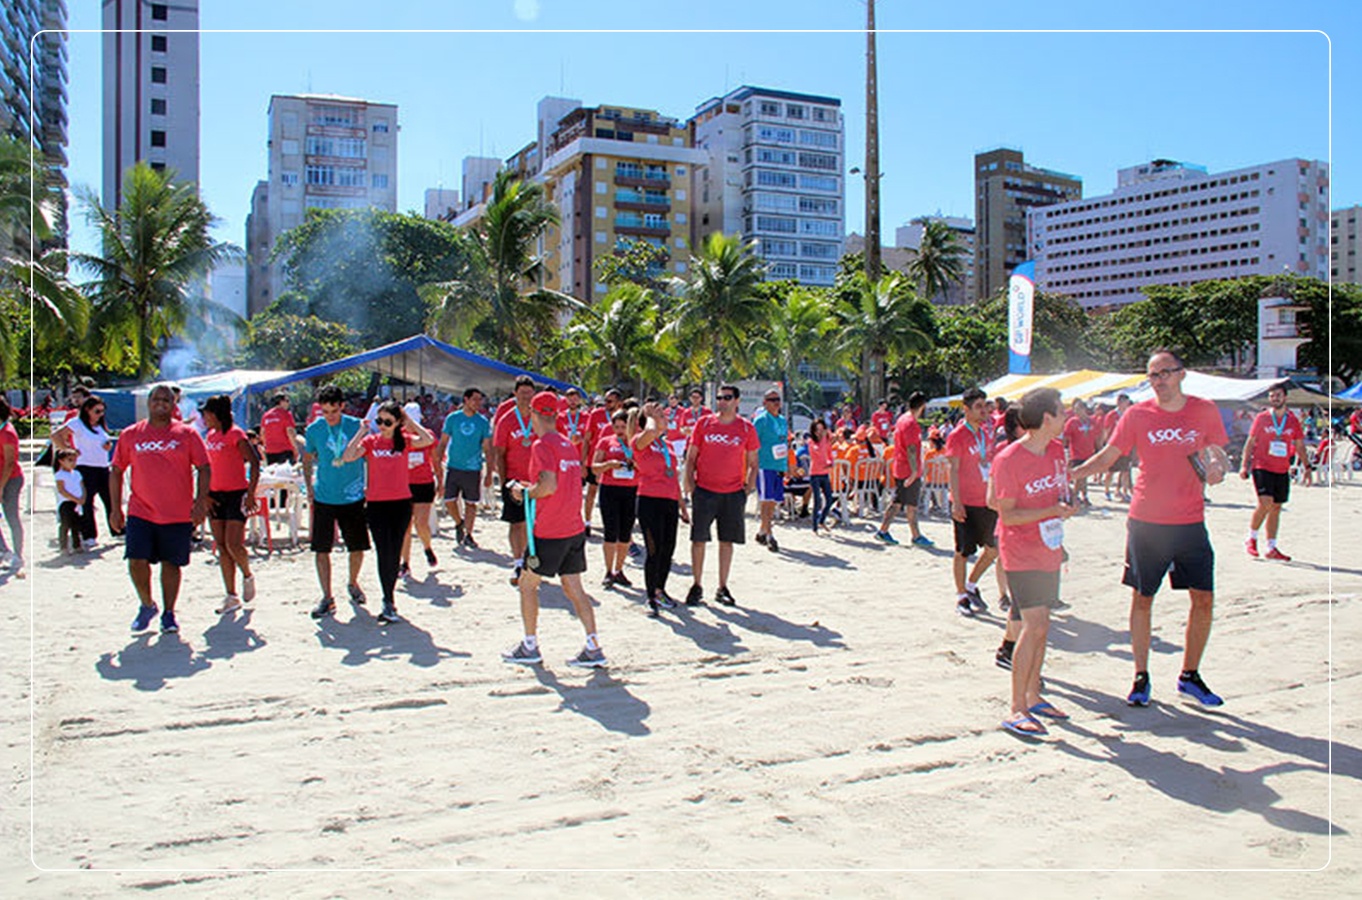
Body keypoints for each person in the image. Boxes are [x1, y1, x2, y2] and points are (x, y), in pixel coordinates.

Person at [1072, 350, 1231, 708]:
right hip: (1147, 521)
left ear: (1182, 373)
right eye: (1153, 375)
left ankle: (1190, 676)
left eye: (1165, 373)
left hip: (1190, 520)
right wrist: (1072, 474)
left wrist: (1218, 467)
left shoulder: (1204, 409)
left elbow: (1216, 452)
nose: (1159, 380)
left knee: (1203, 598)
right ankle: (1140, 676)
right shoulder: (1137, 414)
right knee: (1143, 598)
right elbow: (1110, 455)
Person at [989, 387, 1078, 737]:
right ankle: (1016, 707)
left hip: (1049, 549)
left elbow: (1059, 492)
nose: (1066, 415)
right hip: (1020, 552)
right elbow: (1007, 516)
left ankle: (1034, 695)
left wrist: (1064, 507)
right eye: (1061, 410)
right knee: (1034, 624)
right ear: (1046, 418)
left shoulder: (1056, 450)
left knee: (1044, 626)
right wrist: (1051, 511)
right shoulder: (1009, 459)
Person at [502, 391, 607, 668]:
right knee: (574, 588)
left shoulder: (542, 445)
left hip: (550, 530)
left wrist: (524, 493)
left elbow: (548, 486)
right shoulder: (566, 444)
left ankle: (530, 646)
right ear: (557, 414)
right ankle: (593, 645)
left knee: (527, 585)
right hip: (572, 528)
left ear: (533, 414)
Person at [109, 384, 211, 633]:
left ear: (173, 404)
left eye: (166, 400)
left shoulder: (186, 434)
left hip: (177, 512)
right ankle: (146, 605)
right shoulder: (131, 434)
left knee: (171, 564)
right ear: (149, 402)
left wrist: (200, 502)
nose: (161, 403)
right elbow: (117, 469)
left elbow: (204, 467)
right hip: (140, 510)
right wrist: (114, 508)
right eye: (156, 399)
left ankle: (168, 612)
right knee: (135, 560)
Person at [341, 400, 435, 624]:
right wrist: (362, 431)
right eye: (379, 421)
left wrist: (409, 421)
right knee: (384, 551)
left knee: (394, 552)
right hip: (376, 504)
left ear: (397, 423)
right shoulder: (372, 442)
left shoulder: (404, 441)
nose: (382, 425)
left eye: (387, 421)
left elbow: (428, 440)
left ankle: (389, 598)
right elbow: (348, 456)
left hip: (401, 503)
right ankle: (388, 599)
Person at [683, 384, 759, 607]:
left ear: (737, 401)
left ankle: (722, 587)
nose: (722, 401)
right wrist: (690, 484)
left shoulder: (746, 428)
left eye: (727, 397)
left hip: (733, 493)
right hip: (704, 491)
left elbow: (754, 463)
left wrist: (747, 490)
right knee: (699, 540)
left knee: (726, 541)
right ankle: (697, 585)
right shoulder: (704, 423)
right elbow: (691, 457)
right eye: (719, 397)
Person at [303, 384, 370, 619]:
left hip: (352, 495)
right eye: (325, 412)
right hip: (324, 495)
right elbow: (307, 457)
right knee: (321, 549)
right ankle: (327, 597)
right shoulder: (314, 429)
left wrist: (370, 484)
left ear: (342, 406)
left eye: (334, 411)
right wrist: (309, 486)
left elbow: (368, 456)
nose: (330, 417)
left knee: (358, 546)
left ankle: (353, 582)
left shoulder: (356, 426)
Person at [200, 394, 260, 615]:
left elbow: (254, 462)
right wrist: (204, 494)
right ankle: (231, 595)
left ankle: (247, 574)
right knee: (222, 547)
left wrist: (251, 492)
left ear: (216, 414)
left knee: (234, 543)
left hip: (236, 494)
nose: (204, 417)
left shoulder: (236, 434)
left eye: (206, 413)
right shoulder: (210, 435)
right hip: (215, 494)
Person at [1239, 383, 1309, 561]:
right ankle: (1251, 538)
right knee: (1265, 503)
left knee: (1276, 507)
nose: (1274, 398)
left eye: (1277, 395)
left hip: (1282, 468)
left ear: (1285, 397)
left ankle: (1271, 547)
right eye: (1271, 396)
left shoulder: (1292, 421)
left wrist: (1307, 467)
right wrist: (1244, 465)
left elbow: (1299, 444)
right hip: (1262, 465)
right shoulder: (1262, 418)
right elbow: (1250, 441)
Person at [945, 387, 998, 617]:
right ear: (965, 410)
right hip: (965, 501)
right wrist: (956, 502)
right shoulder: (957, 435)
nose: (983, 411)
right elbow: (953, 470)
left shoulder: (986, 432)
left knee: (993, 549)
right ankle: (961, 596)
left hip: (986, 500)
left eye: (985, 406)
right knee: (962, 551)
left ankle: (971, 584)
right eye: (978, 407)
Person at [632, 400, 688, 614]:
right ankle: (649, 597)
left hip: (669, 501)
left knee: (668, 549)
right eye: (661, 417)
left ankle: (660, 590)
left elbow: (674, 478)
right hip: (649, 500)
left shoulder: (668, 445)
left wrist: (682, 506)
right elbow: (649, 432)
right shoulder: (640, 440)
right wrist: (650, 417)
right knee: (653, 550)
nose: (665, 419)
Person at [52, 395, 118, 547]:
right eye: (97, 411)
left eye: (102, 411)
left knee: (110, 499)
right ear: (87, 410)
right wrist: (69, 450)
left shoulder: (100, 426)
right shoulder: (77, 423)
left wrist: (107, 445)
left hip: (102, 466)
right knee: (87, 502)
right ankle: (89, 535)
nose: (100, 414)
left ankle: (117, 530)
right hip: (85, 467)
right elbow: (56, 435)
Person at [492, 375, 538, 584]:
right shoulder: (507, 420)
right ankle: (517, 562)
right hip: (515, 481)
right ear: (515, 394)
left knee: (536, 524)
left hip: (539, 480)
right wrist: (504, 482)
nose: (526, 397)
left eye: (529, 393)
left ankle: (533, 561)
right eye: (522, 393)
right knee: (516, 523)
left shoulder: (540, 418)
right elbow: (499, 453)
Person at [438, 387, 493, 549]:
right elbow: (443, 442)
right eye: (475, 399)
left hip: (473, 468)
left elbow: (488, 448)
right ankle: (458, 522)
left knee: (471, 503)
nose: (478, 403)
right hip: (454, 466)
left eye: (480, 399)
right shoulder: (453, 418)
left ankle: (468, 534)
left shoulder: (482, 421)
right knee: (449, 500)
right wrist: (438, 460)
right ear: (466, 400)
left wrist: (489, 472)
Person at [876, 391, 933, 546]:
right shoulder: (911, 424)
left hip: (901, 466)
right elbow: (911, 449)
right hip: (908, 469)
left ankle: (886, 531)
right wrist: (915, 471)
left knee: (900, 501)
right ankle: (914, 536)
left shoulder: (902, 419)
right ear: (922, 406)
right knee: (909, 504)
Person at [591, 407, 640, 587]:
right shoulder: (605, 442)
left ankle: (620, 570)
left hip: (630, 489)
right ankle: (608, 570)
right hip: (610, 489)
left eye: (623, 426)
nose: (620, 430)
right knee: (610, 532)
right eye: (617, 426)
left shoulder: (636, 443)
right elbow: (594, 467)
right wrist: (609, 464)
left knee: (626, 533)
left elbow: (646, 467)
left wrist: (634, 464)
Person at [752, 389, 790, 553]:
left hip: (778, 465)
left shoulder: (782, 420)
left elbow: (784, 443)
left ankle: (762, 530)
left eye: (778, 399)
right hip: (765, 465)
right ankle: (770, 535)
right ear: (765, 402)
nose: (776, 402)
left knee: (774, 501)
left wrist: (787, 465)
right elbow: (752, 445)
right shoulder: (760, 421)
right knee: (766, 501)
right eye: (772, 399)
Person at [581, 388, 623, 533]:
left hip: (617, 461)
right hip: (596, 460)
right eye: (605, 400)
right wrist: (583, 462)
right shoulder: (596, 414)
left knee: (614, 494)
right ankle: (587, 522)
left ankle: (614, 523)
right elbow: (586, 439)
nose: (606, 403)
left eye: (610, 401)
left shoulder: (624, 416)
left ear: (619, 403)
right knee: (591, 491)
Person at [399, 428, 439, 578]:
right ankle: (405, 563)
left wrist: (440, 481)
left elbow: (435, 459)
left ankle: (427, 547)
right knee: (405, 527)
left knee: (421, 523)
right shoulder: (398, 435)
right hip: (403, 484)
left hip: (423, 483)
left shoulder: (427, 434)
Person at [0, 396, 27, 577]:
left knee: (12, 517)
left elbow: (10, 463)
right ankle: (4, 550)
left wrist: (1, 487)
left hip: (10, 479)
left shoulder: (7, 432)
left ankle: (18, 555)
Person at [1062, 399, 1099, 506]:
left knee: (1085, 476)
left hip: (1088, 453)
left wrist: (1097, 449)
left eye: (1078, 409)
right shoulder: (1072, 422)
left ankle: (1082, 495)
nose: (1076, 411)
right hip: (1076, 454)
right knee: (1079, 476)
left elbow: (1097, 437)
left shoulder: (1092, 421)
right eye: (1075, 409)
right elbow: (1066, 438)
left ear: (1084, 409)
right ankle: (1076, 496)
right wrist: (1065, 452)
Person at [1103, 394, 1134, 502]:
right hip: (1114, 447)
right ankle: (1107, 491)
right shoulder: (1112, 415)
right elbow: (1106, 431)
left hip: (1126, 447)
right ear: (1119, 402)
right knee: (1111, 471)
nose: (1126, 404)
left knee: (1125, 471)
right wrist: (1106, 446)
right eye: (1125, 402)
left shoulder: (1129, 414)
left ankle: (1124, 492)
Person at [806, 420, 835, 533]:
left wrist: (830, 463)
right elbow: (817, 453)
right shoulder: (811, 442)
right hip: (815, 473)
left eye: (822, 429)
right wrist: (824, 438)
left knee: (829, 499)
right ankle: (814, 526)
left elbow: (829, 453)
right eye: (817, 430)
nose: (819, 432)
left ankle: (822, 520)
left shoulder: (826, 440)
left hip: (824, 473)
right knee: (817, 501)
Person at [55, 449, 85, 555]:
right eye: (70, 460)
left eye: (75, 460)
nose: (73, 463)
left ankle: (77, 545)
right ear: (61, 461)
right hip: (66, 502)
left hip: (77, 502)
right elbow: (62, 490)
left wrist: (83, 498)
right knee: (66, 524)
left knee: (76, 524)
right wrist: (75, 498)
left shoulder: (77, 473)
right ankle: (63, 546)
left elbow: (82, 486)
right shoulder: (60, 475)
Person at [259, 393, 299, 465]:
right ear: (281, 402)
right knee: (287, 475)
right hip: (285, 450)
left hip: (270, 451)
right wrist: (295, 447)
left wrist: (266, 446)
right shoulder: (286, 414)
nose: (288, 403)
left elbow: (262, 433)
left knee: (273, 474)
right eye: (287, 401)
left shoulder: (266, 415)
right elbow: (290, 432)